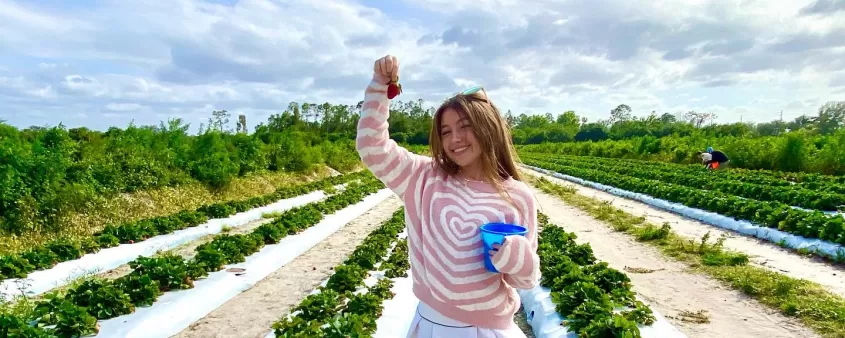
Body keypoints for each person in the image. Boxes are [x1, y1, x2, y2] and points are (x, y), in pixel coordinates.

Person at [356, 55, 539, 338]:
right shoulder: (423, 178)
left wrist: (518, 259)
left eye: (465, 126)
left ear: (488, 126)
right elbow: (372, 147)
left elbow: (525, 280)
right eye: (446, 132)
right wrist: (380, 86)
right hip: (432, 325)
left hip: (489, 329)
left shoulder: (517, 196)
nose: (455, 138)